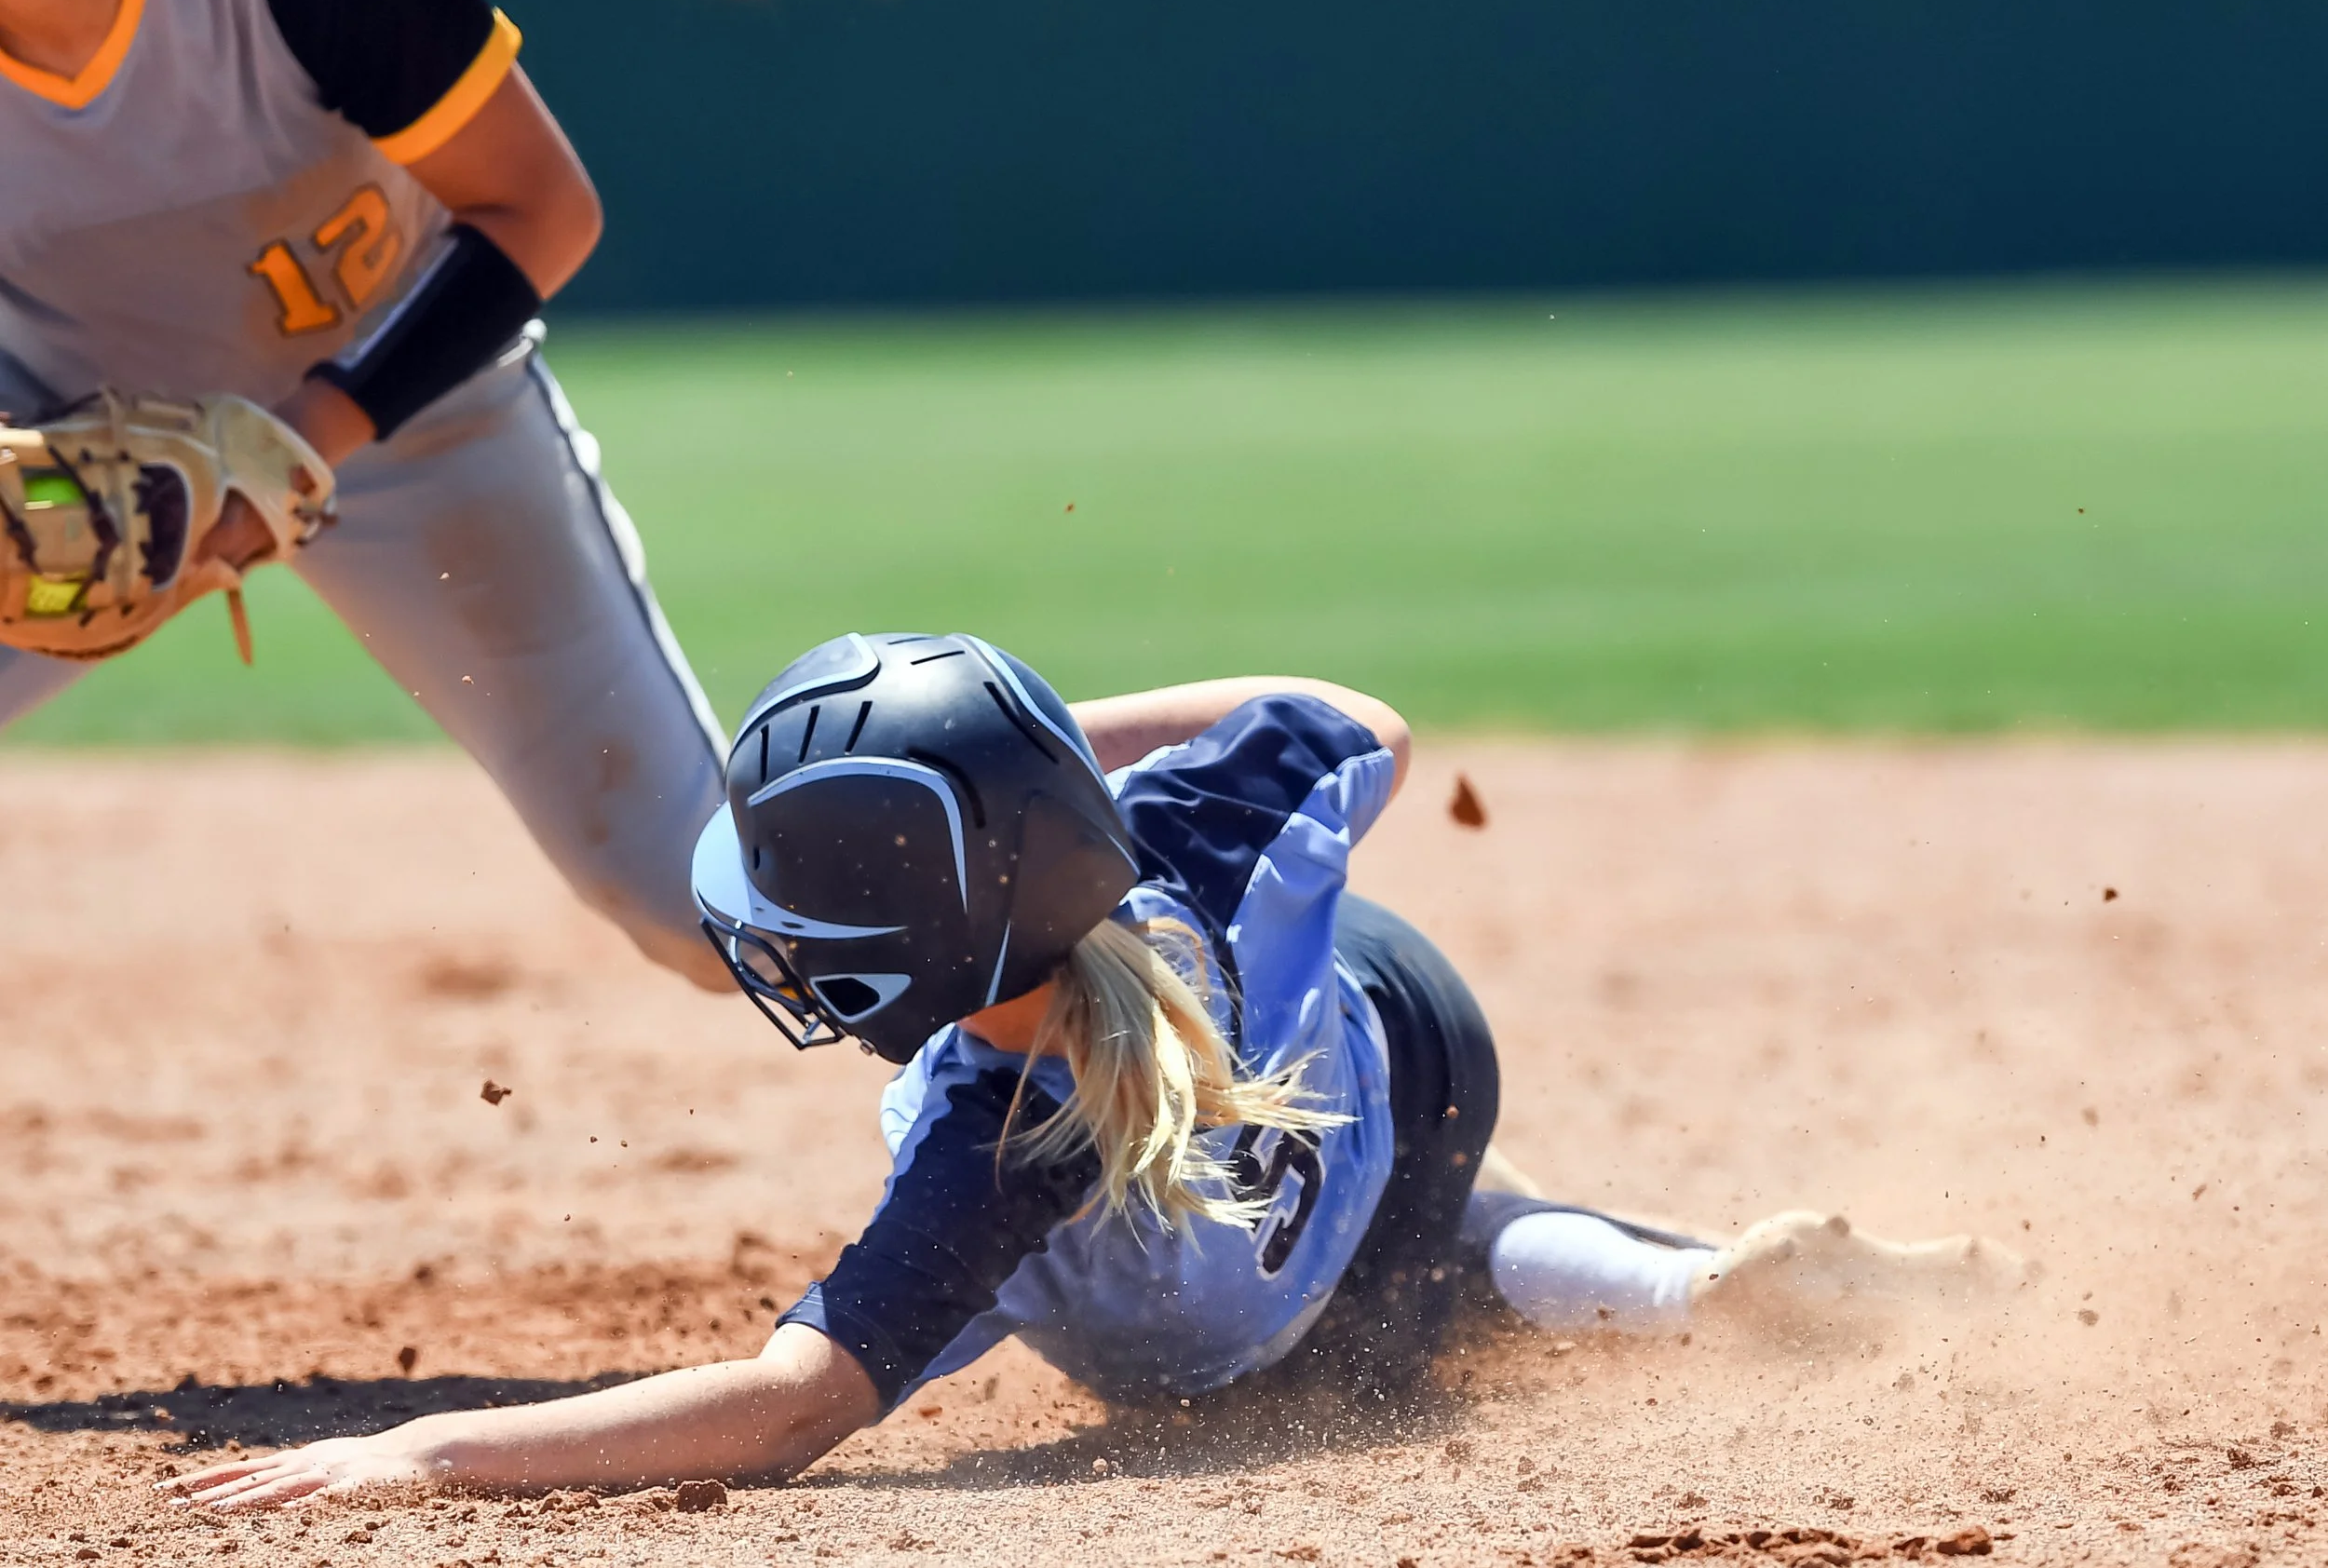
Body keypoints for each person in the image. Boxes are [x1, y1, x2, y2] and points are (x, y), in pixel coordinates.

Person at [164, 634, 2026, 1508]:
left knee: (1308, 1295)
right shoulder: (1178, 842)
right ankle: (1684, 1280)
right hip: (1400, 1050)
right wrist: (1055, 760)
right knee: (1437, 1223)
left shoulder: (994, 1142)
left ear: (911, 955)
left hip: (1216, 1305)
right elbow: (1353, 717)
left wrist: (427, 1445)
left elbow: (786, 1400)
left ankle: (1617, 1275)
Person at [0, 0, 907, 987]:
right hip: (54, 446)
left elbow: (542, 205)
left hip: (407, 414)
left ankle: (1091, 946)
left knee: (698, 889)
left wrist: (282, 452)